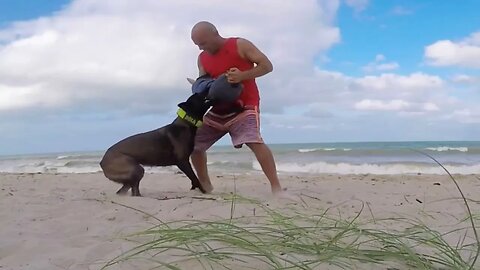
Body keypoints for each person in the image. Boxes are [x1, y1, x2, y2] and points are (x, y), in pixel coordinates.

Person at [190, 21, 284, 195]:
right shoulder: (202, 58)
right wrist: (199, 87)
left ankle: (276, 188)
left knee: (254, 141)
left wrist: (243, 75)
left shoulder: (240, 45)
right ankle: (206, 186)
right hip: (218, 109)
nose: (200, 48)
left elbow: (267, 66)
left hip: (245, 107)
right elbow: (204, 81)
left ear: (215, 33)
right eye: (197, 45)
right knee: (193, 144)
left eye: (202, 43)